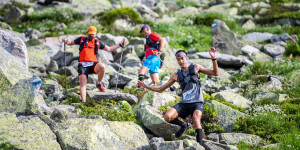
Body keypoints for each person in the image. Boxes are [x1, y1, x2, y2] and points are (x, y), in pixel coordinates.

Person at [137, 48, 219, 145]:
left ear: (186, 58)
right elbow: (160, 89)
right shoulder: (176, 76)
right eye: (178, 59)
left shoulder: (196, 67)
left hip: (197, 101)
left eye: (182, 58)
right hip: (184, 103)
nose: (181, 61)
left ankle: (199, 146)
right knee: (167, 117)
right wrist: (145, 86)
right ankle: (184, 125)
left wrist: (213, 59)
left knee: (196, 119)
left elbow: (215, 73)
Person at [62, 26, 125, 103]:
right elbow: (70, 43)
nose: (91, 36)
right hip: (83, 65)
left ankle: (99, 83)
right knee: (82, 82)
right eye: (90, 34)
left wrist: (120, 44)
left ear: (96, 34)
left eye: (93, 34)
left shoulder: (97, 42)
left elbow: (109, 49)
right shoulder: (82, 39)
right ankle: (83, 101)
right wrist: (66, 40)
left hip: (93, 64)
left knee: (102, 66)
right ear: (87, 33)